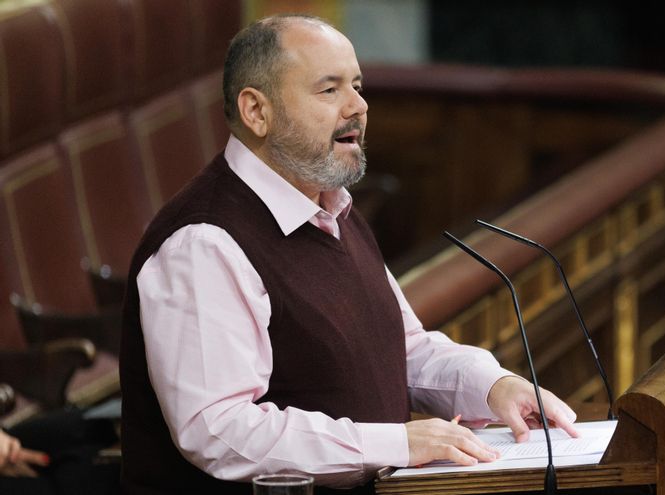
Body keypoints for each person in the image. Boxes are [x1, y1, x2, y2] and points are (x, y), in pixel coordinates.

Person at [119, 13, 578, 494]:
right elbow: (219, 431)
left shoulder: (332, 208)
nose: (358, 106)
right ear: (257, 111)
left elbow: (405, 351)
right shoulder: (203, 242)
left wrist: (491, 386)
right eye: (329, 90)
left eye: (357, 86)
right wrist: (395, 445)